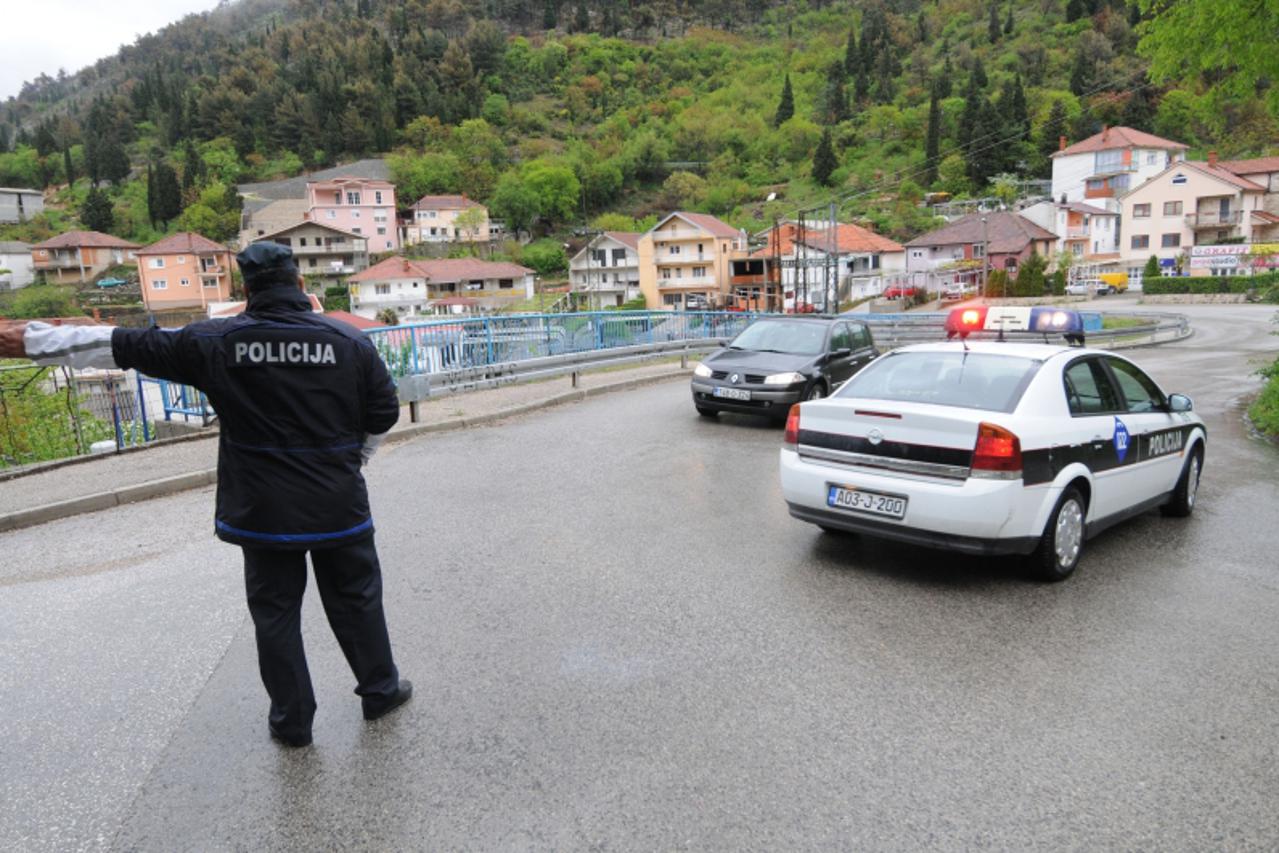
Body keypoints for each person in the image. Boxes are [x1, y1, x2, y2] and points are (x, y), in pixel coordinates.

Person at [0, 243, 411, 748]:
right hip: (338, 504)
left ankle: (293, 722)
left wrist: (31, 339)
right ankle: (380, 691)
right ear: (301, 286)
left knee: (275, 614)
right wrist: (353, 460)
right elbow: (383, 414)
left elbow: (122, 343)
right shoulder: (349, 343)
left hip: (263, 513)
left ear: (245, 289)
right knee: (357, 600)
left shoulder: (214, 341)